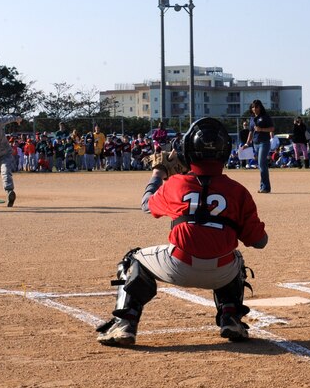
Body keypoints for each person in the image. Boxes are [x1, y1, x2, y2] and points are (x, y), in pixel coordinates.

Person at [97, 117, 268, 346]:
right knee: (235, 258)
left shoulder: (175, 183)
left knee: (132, 260)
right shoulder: (238, 191)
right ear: (225, 151)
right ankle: (231, 317)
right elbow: (259, 242)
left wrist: (158, 173)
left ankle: (125, 323)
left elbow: (147, 204)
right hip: (221, 271)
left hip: (178, 266)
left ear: (187, 149)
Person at [245, 99, 274, 193]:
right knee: (261, 165)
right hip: (255, 143)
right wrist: (247, 143)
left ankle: (265, 187)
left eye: (256, 107)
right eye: (253, 107)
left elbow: (272, 128)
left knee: (262, 164)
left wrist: (261, 129)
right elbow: (250, 131)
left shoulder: (265, 117)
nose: (254, 109)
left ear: (260, 107)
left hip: (264, 143)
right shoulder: (252, 118)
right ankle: (263, 186)